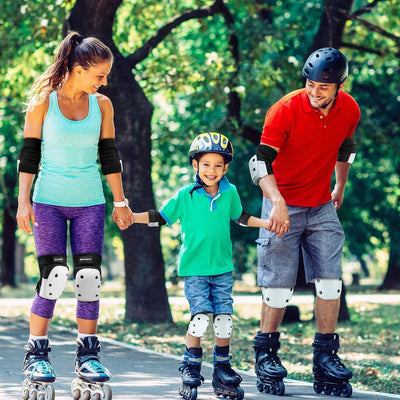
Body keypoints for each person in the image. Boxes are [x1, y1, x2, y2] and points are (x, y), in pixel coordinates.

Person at [16, 31, 133, 399]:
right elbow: (29, 156)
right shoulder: (42, 103)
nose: (104, 81)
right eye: (99, 75)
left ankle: (88, 354)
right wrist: (24, 201)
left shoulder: (103, 106)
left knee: (88, 278)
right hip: (49, 200)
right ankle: (37, 352)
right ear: (79, 69)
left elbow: (110, 156)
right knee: (53, 276)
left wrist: (120, 201)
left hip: (89, 202)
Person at [249, 47, 360, 397]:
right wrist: (277, 202)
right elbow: (259, 164)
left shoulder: (349, 109)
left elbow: (346, 147)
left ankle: (325, 356)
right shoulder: (284, 110)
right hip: (281, 202)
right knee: (279, 285)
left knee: (330, 283)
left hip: (320, 204)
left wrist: (340, 184)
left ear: (339, 85)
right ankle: (266, 354)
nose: (315, 92)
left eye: (324, 87)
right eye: (311, 84)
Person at [132, 132, 270, 400]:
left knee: (224, 320)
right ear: (195, 165)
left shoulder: (230, 193)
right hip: (194, 269)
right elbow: (161, 217)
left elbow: (240, 217)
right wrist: (132, 217)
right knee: (199, 320)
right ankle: (191, 365)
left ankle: (222, 367)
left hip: (222, 269)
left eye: (218, 165)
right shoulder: (185, 195)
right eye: (206, 164)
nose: (212, 170)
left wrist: (266, 223)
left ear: (226, 168)